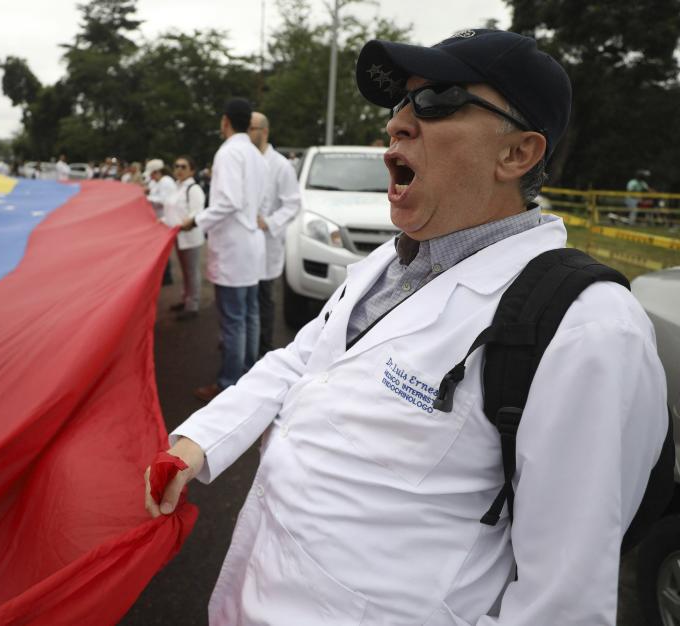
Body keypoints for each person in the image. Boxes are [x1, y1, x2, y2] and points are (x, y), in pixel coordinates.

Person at [149, 29, 667, 624]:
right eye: (400, 104)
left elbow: (563, 602)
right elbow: (302, 361)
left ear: (517, 154)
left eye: (437, 101)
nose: (397, 123)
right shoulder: (384, 265)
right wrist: (198, 443)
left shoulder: (586, 330)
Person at [180, 98, 267, 402]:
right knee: (249, 314)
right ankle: (248, 372)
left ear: (226, 121)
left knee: (234, 319)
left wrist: (195, 220)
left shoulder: (229, 152)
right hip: (250, 244)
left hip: (234, 246)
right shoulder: (256, 154)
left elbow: (228, 201)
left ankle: (230, 383)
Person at [247, 112, 302, 356]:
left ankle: (262, 348)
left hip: (267, 242)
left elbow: (292, 204)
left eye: (251, 128)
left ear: (265, 132)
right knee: (244, 297)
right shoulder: (244, 160)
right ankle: (245, 340)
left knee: (264, 299)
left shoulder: (280, 165)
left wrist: (268, 222)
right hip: (243, 244)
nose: (246, 133)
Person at [161, 156, 206, 320]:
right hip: (178, 237)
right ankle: (186, 298)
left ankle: (192, 305)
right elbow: (171, 212)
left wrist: (185, 223)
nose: (179, 169)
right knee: (185, 272)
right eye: (176, 166)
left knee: (192, 271)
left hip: (189, 237)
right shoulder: (177, 187)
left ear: (191, 170)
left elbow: (197, 211)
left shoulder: (193, 188)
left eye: (183, 167)